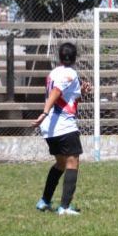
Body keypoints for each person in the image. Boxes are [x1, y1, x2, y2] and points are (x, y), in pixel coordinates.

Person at [32, 42, 91, 216]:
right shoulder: (70, 73)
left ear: (59, 56)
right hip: (63, 125)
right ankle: (64, 207)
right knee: (72, 162)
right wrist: (44, 112)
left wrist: (82, 90)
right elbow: (57, 92)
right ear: (75, 58)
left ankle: (44, 201)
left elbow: (67, 96)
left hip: (50, 129)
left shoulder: (54, 72)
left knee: (60, 163)